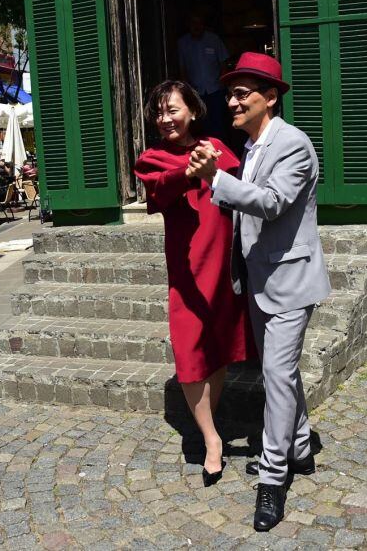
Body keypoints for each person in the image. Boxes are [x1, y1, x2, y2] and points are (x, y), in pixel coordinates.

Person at [187, 53, 331, 532]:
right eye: (229, 93)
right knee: (282, 373)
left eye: (241, 93)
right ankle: (303, 447)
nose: (231, 101)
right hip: (260, 279)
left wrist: (215, 179)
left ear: (270, 98)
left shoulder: (293, 144)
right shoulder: (251, 146)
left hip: (290, 281)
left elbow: (271, 204)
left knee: (275, 376)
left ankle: (273, 478)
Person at [134, 80, 253, 486]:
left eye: (173, 110)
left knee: (217, 350)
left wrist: (214, 168)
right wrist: (191, 172)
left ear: (194, 111)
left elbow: (245, 186)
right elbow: (161, 188)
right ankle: (210, 437)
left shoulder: (217, 145)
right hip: (187, 273)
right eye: (159, 112)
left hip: (225, 266)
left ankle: (209, 420)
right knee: (188, 358)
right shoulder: (152, 158)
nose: (165, 119)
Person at [178, 12, 230, 141]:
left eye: (199, 23)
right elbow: (182, 68)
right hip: (195, 92)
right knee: (200, 124)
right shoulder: (182, 43)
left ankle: (220, 152)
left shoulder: (213, 39)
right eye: (193, 23)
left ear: (203, 25)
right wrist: (187, 90)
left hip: (215, 90)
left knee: (218, 124)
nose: (196, 26)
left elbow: (224, 62)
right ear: (188, 25)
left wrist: (222, 84)